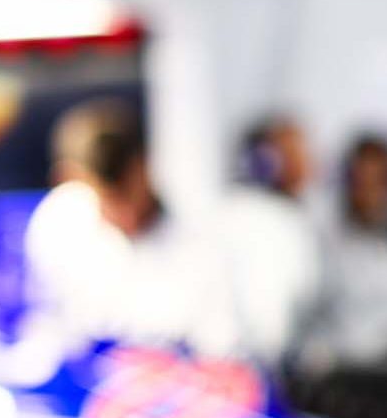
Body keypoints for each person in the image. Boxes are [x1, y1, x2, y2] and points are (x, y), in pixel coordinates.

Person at [22, 99, 241, 355]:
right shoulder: (59, 222)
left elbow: (221, 342)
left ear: (145, 168)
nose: (125, 214)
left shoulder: (199, 232)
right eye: (109, 200)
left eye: (130, 193)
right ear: (71, 178)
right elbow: (56, 327)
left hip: (177, 377)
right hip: (77, 374)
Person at [304, 133, 387, 365]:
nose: (375, 194)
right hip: (351, 376)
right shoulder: (321, 247)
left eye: (384, 182)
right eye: (364, 183)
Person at [220, 113, 324, 365]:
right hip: (259, 371)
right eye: (295, 151)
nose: (309, 161)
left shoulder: (238, 210)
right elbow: (275, 322)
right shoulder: (271, 223)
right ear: (265, 161)